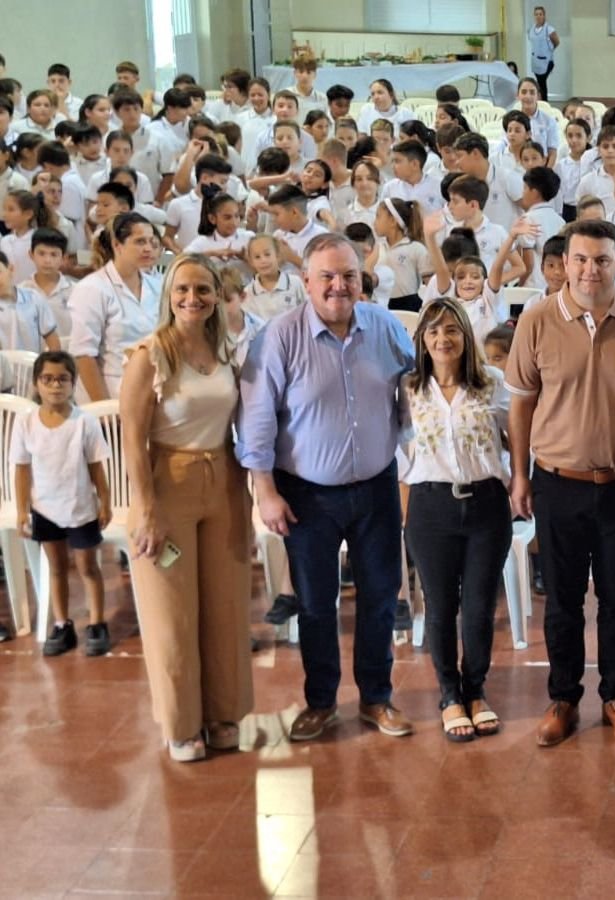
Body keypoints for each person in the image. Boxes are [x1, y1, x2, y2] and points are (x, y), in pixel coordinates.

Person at [238, 233, 417, 743]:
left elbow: (415, 390)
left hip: (377, 485)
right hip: (306, 494)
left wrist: (415, 464)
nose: (339, 286)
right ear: (306, 281)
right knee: (316, 603)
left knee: (380, 596)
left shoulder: (385, 327)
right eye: (328, 277)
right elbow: (256, 421)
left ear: (362, 279)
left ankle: (376, 697)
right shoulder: (278, 337)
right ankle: (320, 701)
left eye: (349, 276)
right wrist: (265, 491)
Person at [505, 219, 615, 747]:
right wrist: (519, 475)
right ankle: (564, 698)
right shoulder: (537, 320)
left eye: (601, 260)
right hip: (558, 482)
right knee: (563, 601)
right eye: (580, 259)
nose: (589, 270)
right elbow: (521, 404)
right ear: (564, 263)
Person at [119, 254, 254, 763]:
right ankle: (181, 725)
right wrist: (146, 508)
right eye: (182, 289)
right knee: (172, 612)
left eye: (202, 289)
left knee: (225, 605)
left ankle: (222, 714)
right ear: (168, 296)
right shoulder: (150, 355)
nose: (192, 298)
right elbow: (132, 440)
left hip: (223, 480)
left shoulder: (225, 350)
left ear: (217, 296)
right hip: (168, 485)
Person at [400, 298, 511, 743]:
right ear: (422, 340)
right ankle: (449, 694)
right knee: (441, 605)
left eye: (451, 330)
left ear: (465, 335)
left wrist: (519, 480)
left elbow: (518, 436)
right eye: (433, 331)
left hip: (486, 504)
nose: (442, 339)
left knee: (480, 606)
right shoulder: (408, 388)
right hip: (430, 507)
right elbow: (394, 447)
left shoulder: (491, 383)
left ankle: (476, 690)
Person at [13, 351, 112, 657]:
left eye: (62, 379)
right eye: (48, 379)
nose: (55, 386)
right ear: (36, 383)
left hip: (81, 508)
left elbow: (97, 468)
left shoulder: (85, 423)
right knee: (56, 568)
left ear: (73, 382)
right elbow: (22, 469)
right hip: (44, 510)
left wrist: (105, 502)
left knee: (88, 567)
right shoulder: (26, 423)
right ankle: (62, 624)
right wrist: (22, 510)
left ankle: (97, 623)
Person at [69, 212, 161, 400]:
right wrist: (103, 408)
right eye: (140, 242)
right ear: (117, 245)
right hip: (110, 392)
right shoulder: (92, 288)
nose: (148, 248)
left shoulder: (157, 285)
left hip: (152, 387)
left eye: (151, 242)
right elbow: (84, 355)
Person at [529, 6, 562, 101]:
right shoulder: (532, 29)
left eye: (540, 14)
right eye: (536, 14)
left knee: (542, 82)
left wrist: (549, 50)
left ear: (544, 15)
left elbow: (556, 42)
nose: (538, 16)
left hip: (547, 61)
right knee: (540, 83)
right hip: (536, 61)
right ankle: (541, 101)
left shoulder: (549, 29)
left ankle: (544, 102)